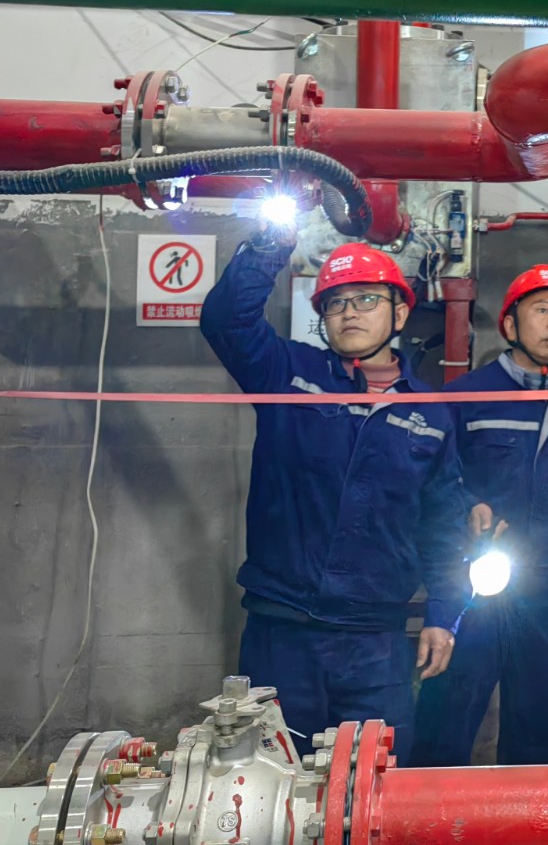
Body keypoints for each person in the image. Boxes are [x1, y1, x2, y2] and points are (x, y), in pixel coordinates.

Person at [201, 229, 474, 762]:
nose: (349, 312)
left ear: (400, 313)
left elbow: (442, 526)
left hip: (375, 641)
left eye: (367, 299)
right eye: (335, 303)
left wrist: (443, 614)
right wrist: (269, 244)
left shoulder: (431, 413)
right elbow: (226, 320)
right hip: (282, 633)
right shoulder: (289, 375)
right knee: (273, 780)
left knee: (372, 782)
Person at [412, 265, 548, 766]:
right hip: (475, 588)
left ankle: (524, 811)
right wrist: (469, 506)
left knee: (533, 725)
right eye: (541, 310)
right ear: (509, 325)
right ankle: (432, 809)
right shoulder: (466, 397)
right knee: (448, 718)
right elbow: (431, 483)